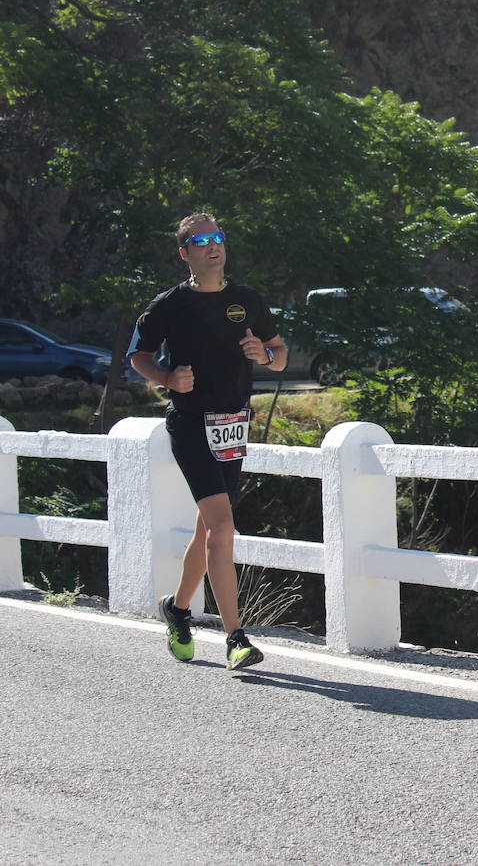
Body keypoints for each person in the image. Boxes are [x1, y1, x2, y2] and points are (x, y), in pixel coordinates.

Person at [128, 213, 288, 671]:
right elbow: (137, 356)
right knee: (222, 526)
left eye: (217, 238)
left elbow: (280, 353)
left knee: (207, 527)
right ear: (185, 254)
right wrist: (165, 377)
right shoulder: (169, 306)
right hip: (191, 423)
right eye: (200, 241)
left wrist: (267, 355)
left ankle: (178, 610)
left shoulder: (247, 299)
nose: (212, 245)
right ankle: (236, 636)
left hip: (233, 423)